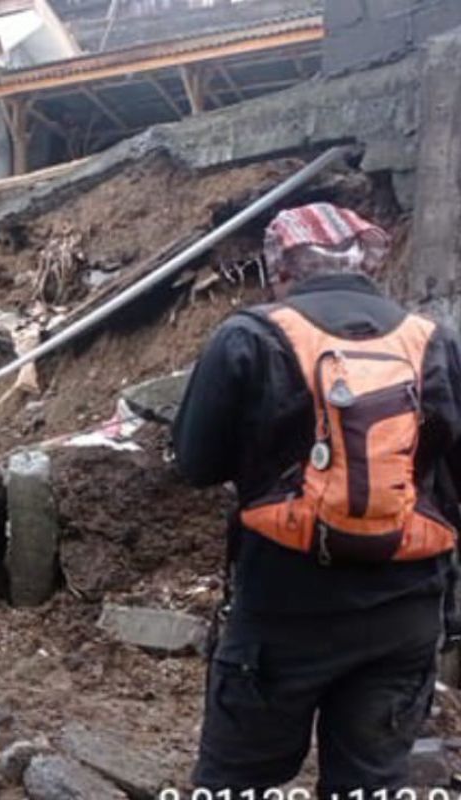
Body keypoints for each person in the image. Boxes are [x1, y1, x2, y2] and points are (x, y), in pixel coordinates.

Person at [172, 202, 461, 799]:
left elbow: (195, 465)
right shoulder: (435, 343)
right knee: (371, 784)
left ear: (282, 268)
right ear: (367, 262)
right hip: (405, 613)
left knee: (240, 783)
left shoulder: (249, 336)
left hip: (282, 611)